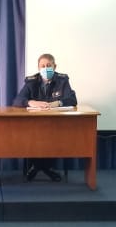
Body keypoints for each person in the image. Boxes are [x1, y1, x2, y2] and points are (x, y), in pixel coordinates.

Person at [12, 53, 78, 182]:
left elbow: (72, 99)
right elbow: (17, 100)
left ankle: (37, 167)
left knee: (52, 135)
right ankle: (46, 168)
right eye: (42, 66)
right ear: (38, 68)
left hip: (55, 124)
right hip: (33, 125)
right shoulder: (32, 81)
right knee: (34, 135)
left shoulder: (62, 80)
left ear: (55, 66)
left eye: (49, 65)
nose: (46, 68)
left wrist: (57, 103)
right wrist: (30, 102)